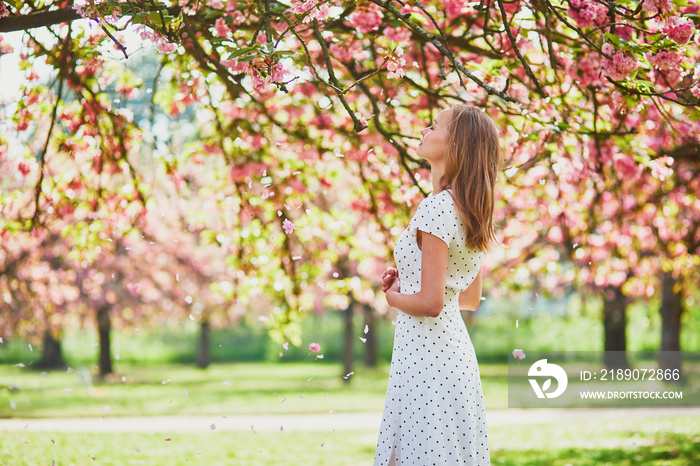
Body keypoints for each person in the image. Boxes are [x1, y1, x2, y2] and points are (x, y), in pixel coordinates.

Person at [374, 104, 503, 466]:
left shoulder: (435, 208)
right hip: (453, 354)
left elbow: (431, 303)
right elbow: (469, 298)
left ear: (456, 146)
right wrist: (410, 282)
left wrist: (394, 297)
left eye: (433, 126)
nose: (423, 130)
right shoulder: (469, 210)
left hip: (426, 358)